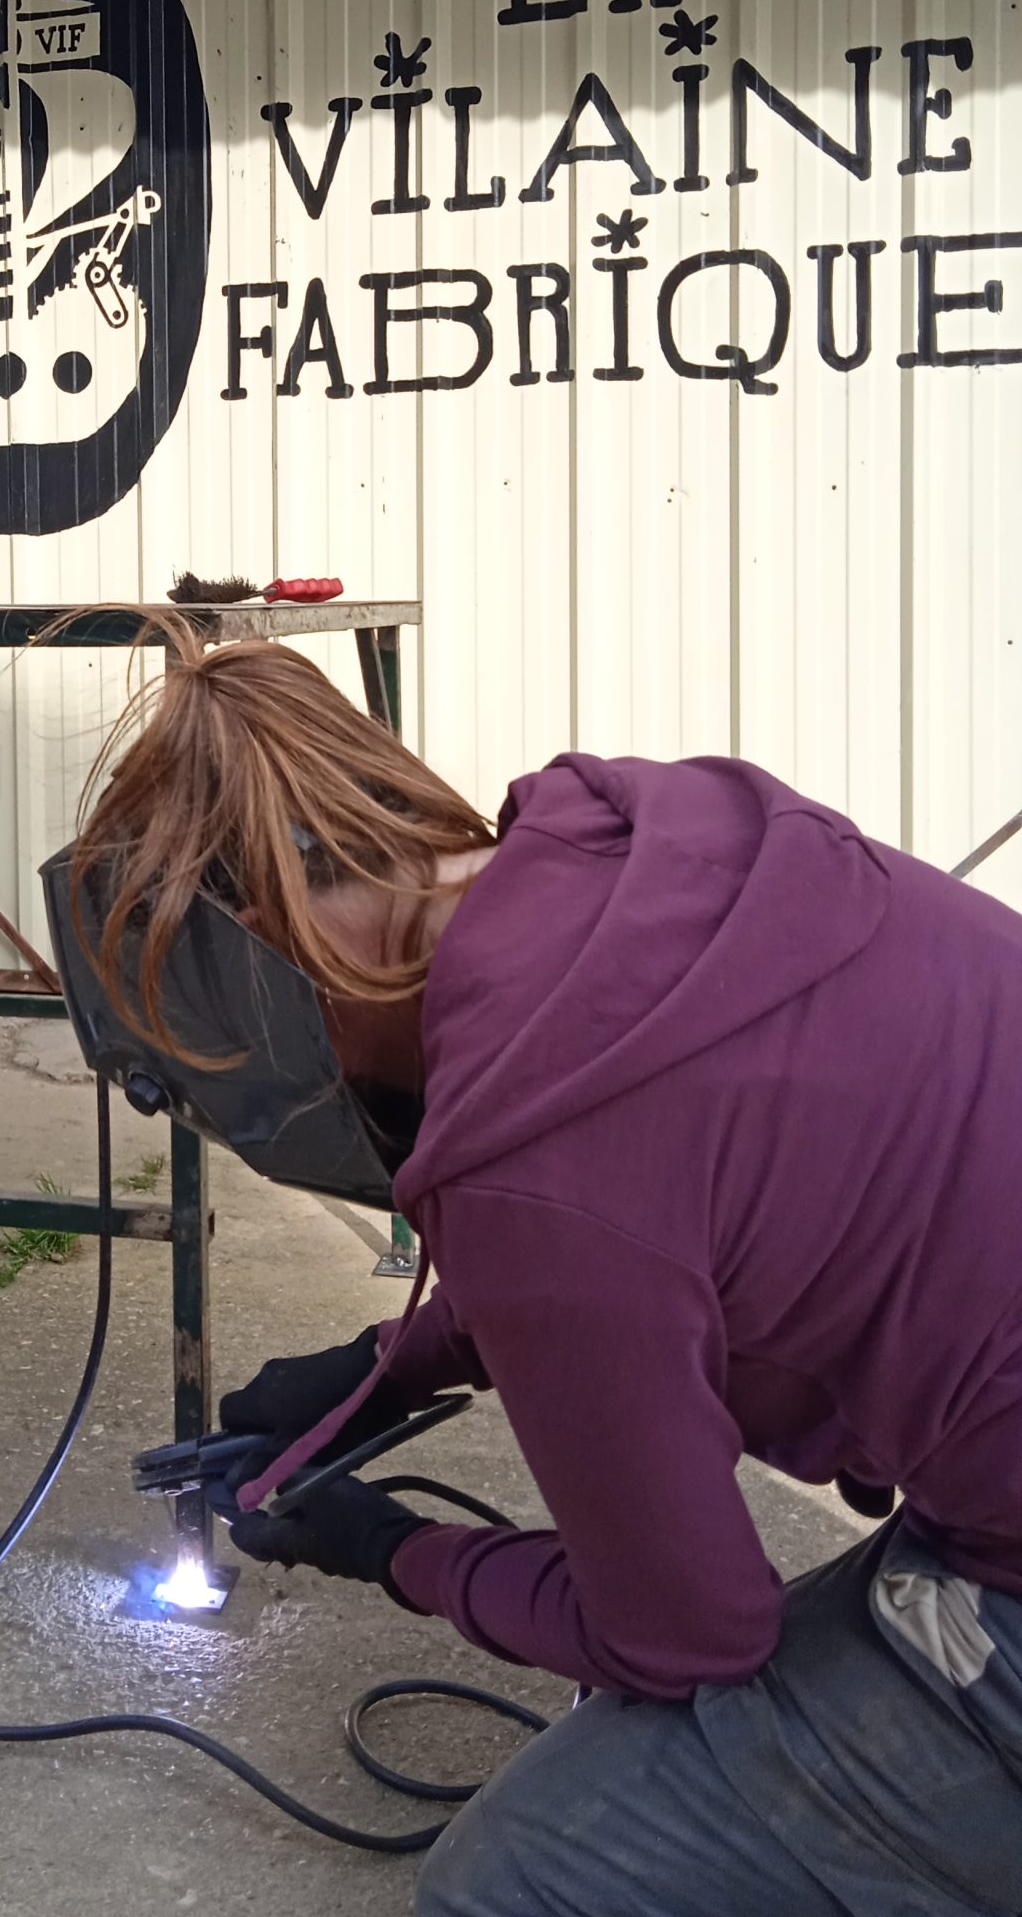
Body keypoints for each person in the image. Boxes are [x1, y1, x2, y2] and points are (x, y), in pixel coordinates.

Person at [65, 622, 1022, 1915]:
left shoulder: (529, 1169)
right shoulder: (637, 838)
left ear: (261, 956)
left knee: (519, 1875)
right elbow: (656, 1223)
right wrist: (388, 1365)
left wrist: (393, 1549)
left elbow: (690, 1633)